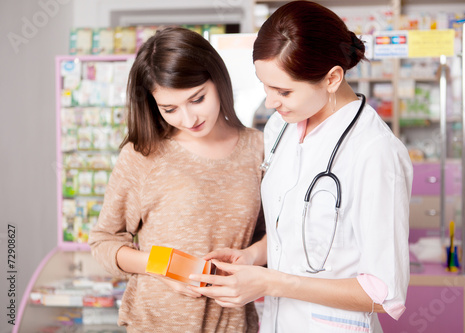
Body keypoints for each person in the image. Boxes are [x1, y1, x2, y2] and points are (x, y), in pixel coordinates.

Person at [189, 2, 413, 332]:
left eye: (284, 91)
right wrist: (252, 257)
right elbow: (299, 226)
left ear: (333, 78)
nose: (270, 102)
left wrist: (271, 283)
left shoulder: (375, 152)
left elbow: (383, 293)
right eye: (265, 86)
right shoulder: (281, 128)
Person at [88, 26, 264, 333]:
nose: (188, 119)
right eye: (169, 108)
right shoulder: (143, 154)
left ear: (217, 80)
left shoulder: (259, 148)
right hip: (153, 323)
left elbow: (280, 238)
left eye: (198, 99)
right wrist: (163, 266)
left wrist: (250, 257)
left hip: (233, 324)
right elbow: (103, 242)